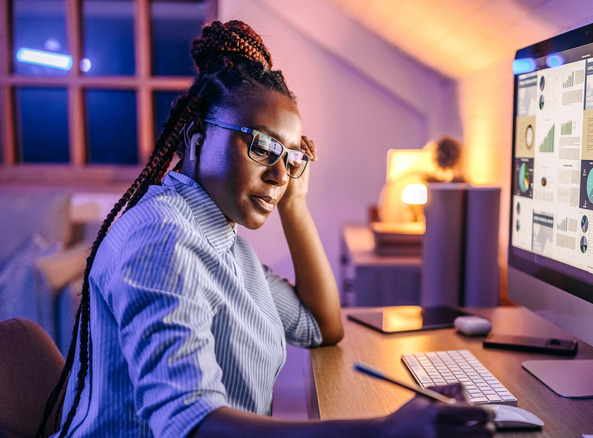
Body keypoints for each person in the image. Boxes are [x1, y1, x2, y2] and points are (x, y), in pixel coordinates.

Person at [37, 20, 494, 438]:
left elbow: (321, 326)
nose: (279, 174)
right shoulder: (163, 238)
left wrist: (295, 205)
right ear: (196, 138)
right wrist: (384, 432)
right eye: (261, 145)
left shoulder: (224, 241)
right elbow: (189, 423)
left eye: (292, 158)